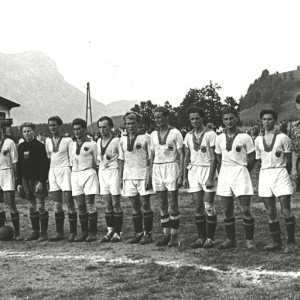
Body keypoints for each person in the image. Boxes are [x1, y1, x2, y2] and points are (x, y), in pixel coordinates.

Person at [215, 107, 256, 250]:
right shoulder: (219, 137)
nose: (229, 121)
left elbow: (252, 158)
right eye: (225, 119)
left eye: (231, 118)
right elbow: (218, 157)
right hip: (225, 173)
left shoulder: (245, 137)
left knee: (245, 209)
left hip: (240, 172)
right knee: (227, 209)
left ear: (236, 119)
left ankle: (249, 240)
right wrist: (223, 172)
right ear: (223, 121)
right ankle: (230, 239)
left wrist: (244, 170)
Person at [256, 110, 295, 253]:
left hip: (280, 172)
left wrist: (286, 172)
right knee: (271, 211)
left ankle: (290, 242)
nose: (266, 122)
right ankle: (276, 242)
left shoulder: (283, 138)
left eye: (270, 119)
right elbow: (259, 160)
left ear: (275, 121)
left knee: (286, 210)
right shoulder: (258, 140)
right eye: (264, 119)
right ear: (261, 121)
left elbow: (289, 161)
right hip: (265, 174)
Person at [183, 107, 218, 249]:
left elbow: (214, 157)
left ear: (202, 118)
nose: (195, 121)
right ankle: (201, 237)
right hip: (194, 171)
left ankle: (210, 238)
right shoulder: (188, 135)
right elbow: (186, 156)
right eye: (192, 119)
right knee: (198, 207)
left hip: (207, 169)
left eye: (197, 118)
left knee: (208, 205)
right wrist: (185, 176)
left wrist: (210, 177)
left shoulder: (210, 134)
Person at [150, 107, 184, 247]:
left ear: (166, 117)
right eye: (155, 117)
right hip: (157, 168)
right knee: (162, 204)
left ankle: (174, 236)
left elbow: (181, 154)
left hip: (171, 167)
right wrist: (151, 172)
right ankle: (166, 234)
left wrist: (181, 174)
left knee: (173, 203)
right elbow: (152, 155)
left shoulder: (175, 133)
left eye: (160, 117)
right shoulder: (153, 134)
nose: (157, 120)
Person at [119, 111, 154, 245]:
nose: (131, 126)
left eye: (133, 123)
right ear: (125, 125)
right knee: (134, 205)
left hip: (142, 175)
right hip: (128, 176)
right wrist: (121, 178)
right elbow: (121, 160)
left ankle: (148, 233)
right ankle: (138, 233)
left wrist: (149, 175)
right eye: (128, 124)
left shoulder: (146, 137)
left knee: (145, 204)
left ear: (138, 123)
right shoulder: (122, 139)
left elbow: (151, 159)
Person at [45, 116, 77, 242]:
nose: (52, 127)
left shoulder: (68, 140)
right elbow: (49, 158)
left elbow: (72, 158)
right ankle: (59, 232)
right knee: (57, 204)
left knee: (69, 202)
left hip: (65, 170)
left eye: (54, 125)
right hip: (53, 171)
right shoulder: (47, 141)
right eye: (50, 125)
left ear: (60, 126)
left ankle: (73, 232)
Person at [17, 122, 50, 241]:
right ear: (22, 133)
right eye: (24, 131)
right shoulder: (20, 147)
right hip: (25, 180)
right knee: (31, 207)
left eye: (29, 131)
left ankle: (44, 233)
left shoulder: (40, 146)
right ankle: (35, 231)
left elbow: (44, 165)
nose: (27, 133)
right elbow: (19, 166)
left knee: (40, 206)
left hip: (37, 180)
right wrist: (19, 183)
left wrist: (41, 181)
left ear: (33, 131)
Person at [69, 118, 99, 242]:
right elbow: (71, 162)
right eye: (74, 129)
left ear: (84, 129)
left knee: (90, 203)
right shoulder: (71, 144)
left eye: (79, 129)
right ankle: (84, 232)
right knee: (80, 205)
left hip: (89, 173)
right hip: (75, 174)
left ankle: (92, 233)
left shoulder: (92, 144)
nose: (77, 132)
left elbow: (97, 162)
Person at [97, 116, 123, 243]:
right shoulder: (98, 141)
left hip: (114, 172)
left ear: (110, 127)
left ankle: (118, 233)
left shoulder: (117, 140)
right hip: (103, 173)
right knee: (107, 204)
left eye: (105, 127)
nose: (102, 130)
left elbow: (121, 159)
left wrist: (121, 176)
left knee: (116, 204)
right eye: (100, 127)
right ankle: (110, 231)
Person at [0, 125, 22, 240]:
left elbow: (15, 161)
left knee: (11, 203)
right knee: (0, 205)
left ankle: (17, 233)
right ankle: (1, 231)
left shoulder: (9, 142)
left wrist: (17, 179)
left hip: (7, 172)